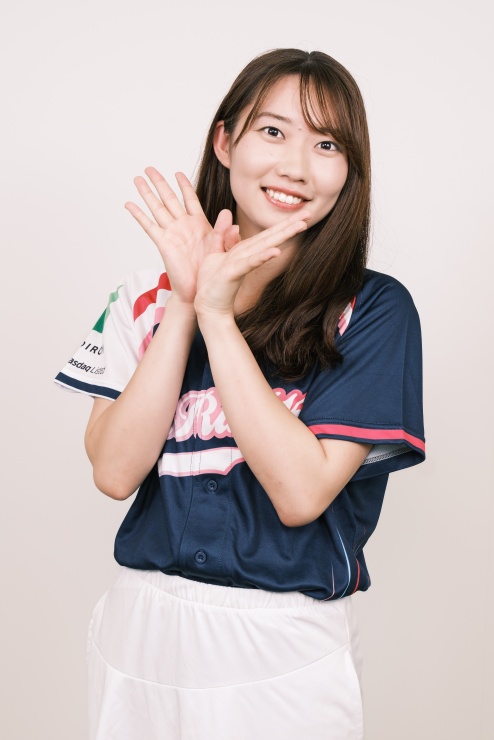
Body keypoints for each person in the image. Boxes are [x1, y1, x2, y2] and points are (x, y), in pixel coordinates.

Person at [55, 48, 425, 740]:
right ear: (225, 142)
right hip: (139, 631)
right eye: (273, 131)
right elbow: (113, 471)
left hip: (280, 643)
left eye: (327, 145)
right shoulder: (141, 298)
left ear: (350, 170)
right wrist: (185, 303)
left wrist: (218, 318)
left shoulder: (373, 310)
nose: (296, 166)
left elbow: (301, 493)